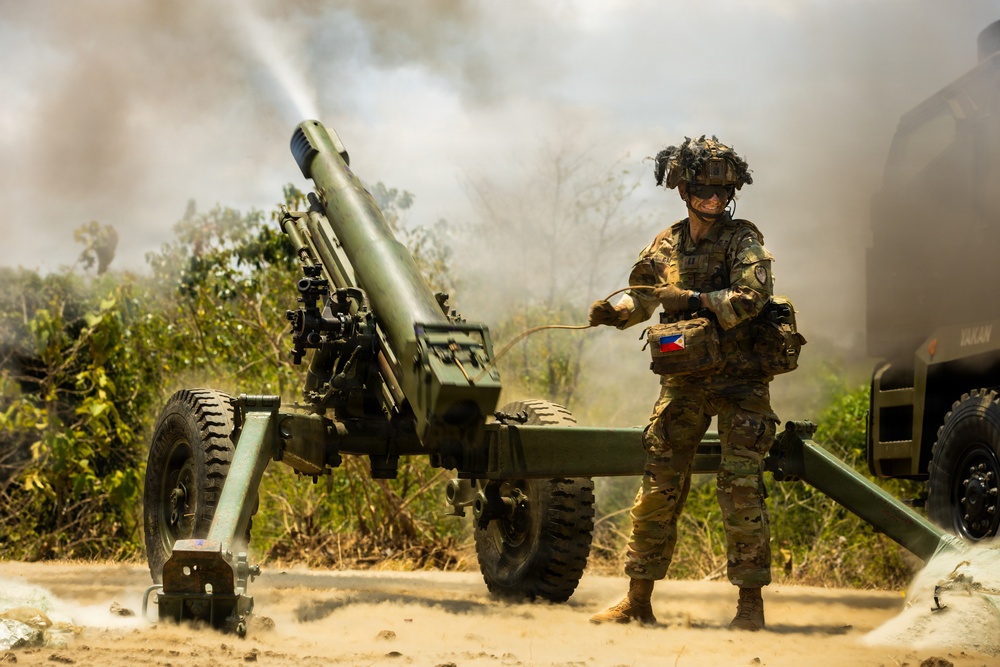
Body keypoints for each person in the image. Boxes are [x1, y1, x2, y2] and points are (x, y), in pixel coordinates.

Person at [588, 136, 779, 631]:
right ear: (684, 190)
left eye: (722, 191)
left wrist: (691, 299)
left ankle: (750, 608)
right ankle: (637, 600)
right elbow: (644, 295)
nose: (713, 200)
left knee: (741, 490)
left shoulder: (744, 240)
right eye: (703, 190)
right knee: (658, 486)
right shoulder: (666, 243)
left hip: (742, 383)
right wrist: (617, 313)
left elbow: (750, 299)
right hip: (685, 381)